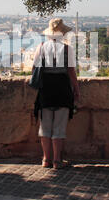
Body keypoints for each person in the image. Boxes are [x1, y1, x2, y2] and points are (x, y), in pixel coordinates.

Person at [32, 18, 80, 170]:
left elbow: (34, 69)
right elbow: (71, 72)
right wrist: (76, 90)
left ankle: (46, 159)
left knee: (45, 127)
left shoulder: (41, 47)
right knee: (59, 127)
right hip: (62, 90)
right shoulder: (67, 49)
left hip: (45, 90)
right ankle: (57, 161)